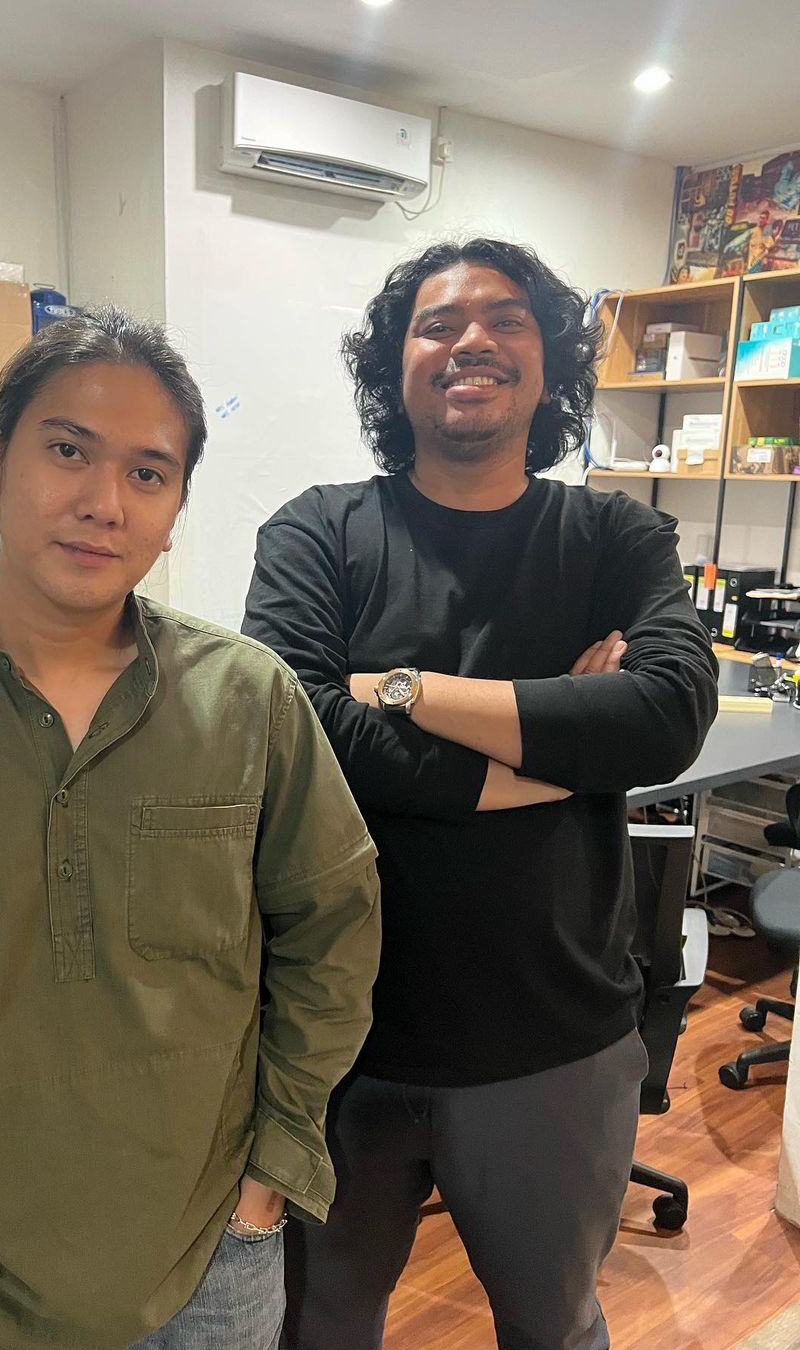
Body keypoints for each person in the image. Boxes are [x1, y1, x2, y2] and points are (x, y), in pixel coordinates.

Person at [0, 310, 381, 1350]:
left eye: (149, 473)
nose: (103, 502)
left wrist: (271, 1176)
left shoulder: (250, 703)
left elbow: (334, 936)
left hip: (214, 1261)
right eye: (68, 450)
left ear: (174, 512)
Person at [242, 238, 718, 1350]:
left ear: (549, 367)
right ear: (394, 366)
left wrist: (404, 691)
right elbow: (298, 730)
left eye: (507, 320)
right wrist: (561, 738)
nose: (472, 342)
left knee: (553, 1329)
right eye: (437, 323)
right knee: (315, 1328)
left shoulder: (614, 537)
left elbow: (666, 715)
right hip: (331, 1035)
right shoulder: (318, 532)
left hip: (553, 1039)